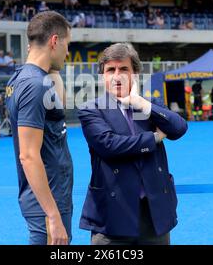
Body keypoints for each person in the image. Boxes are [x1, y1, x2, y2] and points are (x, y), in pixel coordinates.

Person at [77, 43, 188, 245]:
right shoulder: (91, 109)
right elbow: (109, 145)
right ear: (103, 75)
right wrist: (153, 138)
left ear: (135, 73)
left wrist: (141, 104)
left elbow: (179, 128)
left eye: (124, 69)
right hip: (113, 216)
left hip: (154, 213)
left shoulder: (147, 106)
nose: (117, 75)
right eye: (111, 70)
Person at [5, 11, 73, 245]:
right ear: (55, 41)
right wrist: (53, 216)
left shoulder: (28, 78)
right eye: (66, 45)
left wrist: (50, 64)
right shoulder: (34, 85)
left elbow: (59, 108)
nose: (67, 52)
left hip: (51, 198)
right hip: (47, 205)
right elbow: (28, 156)